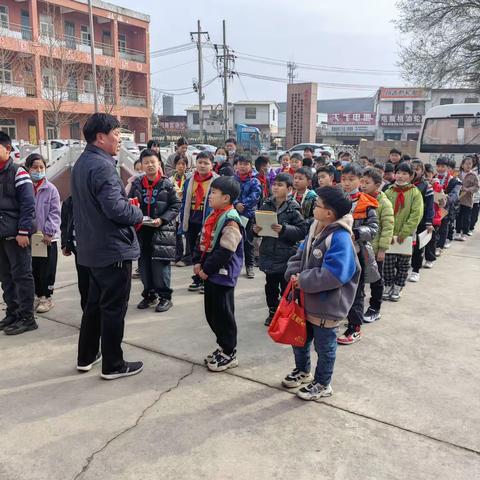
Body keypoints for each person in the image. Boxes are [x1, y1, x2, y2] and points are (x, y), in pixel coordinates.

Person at [72, 113, 144, 380]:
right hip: (112, 249)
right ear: (100, 137)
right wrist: (138, 214)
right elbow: (116, 209)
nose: (119, 140)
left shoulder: (82, 163)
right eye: (116, 134)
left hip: (92, 249)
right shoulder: (102, 166)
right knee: (113, 308)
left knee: (94, 305)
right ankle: (113, 364)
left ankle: (87, 355)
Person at [283, 187, 360, 400]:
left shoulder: (340, 238)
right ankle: (303, 371)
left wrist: (303, 280)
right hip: (306, 300)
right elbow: (300, 254)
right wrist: (293, 273)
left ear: (329, 213)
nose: (313, 207)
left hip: (327, 306)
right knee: (299, 339)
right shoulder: (316, 227)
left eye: (317, 204)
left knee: (324, 347)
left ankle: (323, 383)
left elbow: (334, 275)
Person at [194, 176, 243, 372]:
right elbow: (202, 240)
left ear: (226, 198)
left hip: (222, 274)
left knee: (223, 313)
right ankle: (223, 346)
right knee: (212, 313)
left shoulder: (231, 220)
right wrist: (197, 261)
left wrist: (207, 269)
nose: (209, 196)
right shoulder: (213, 214)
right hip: (211, 273)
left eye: (214, 193)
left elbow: (226, 251)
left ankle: (230, 352)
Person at [129, 149, 180, 313]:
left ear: (159, 163)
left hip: (162, 231)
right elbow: (129, 203)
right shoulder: (137, 184)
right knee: (144, 266)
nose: (150, 165)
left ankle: (165, 297)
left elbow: (176, 205)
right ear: (141, 165)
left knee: (160, 267)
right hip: (142, 230)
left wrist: (162, 219)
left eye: (153, 162)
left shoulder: (167, 184)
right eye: (146, 162)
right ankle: (149, 295)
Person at [254, 173, 307, 326]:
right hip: (268, 252)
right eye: (274, 184)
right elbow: (255, 224)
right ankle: (272, 311)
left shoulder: (293, 207)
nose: (275, 187)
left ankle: (285, 312)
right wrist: (255, 229)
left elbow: (302, 230)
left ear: (289, 189)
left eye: (280, 185)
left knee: (286, 287)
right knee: (270, 285)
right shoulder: (266, 203)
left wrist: (284, 229)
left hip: (286, 254)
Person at [337, 163, 379, 345]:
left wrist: (358, 232)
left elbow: (374, 228)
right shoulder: (337, 199)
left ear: (360, 181)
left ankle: (355, 328)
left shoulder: (367, 203)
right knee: (338, 287)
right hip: (337, 251)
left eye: (351, 179)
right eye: (343, 179)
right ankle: (340, 318)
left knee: (356, 290)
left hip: (357, 252)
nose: (346, 183)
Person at [0, 131, 36, 335]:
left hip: (16, 235)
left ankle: (27, 317)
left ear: (7, 149)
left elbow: (28, 205)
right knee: (6, 277)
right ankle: (12, 312)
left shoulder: (18, 173)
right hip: (1, 235)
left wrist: (23, 231)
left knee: (22, 276)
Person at [25, 153, 61, 314]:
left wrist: (49, 232)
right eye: (34, 167)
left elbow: (55, 212)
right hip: (29, 237)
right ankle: (37, 296)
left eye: (41, 167)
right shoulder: (23, 188)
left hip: (47, 238)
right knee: (33, 268)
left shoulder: (50, 189)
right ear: (28, 168)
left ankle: (47, 297)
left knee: (47, 269)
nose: (38, 170)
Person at [383, 162, 423, 302]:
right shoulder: (388, 191)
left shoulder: (415, 193)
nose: (400, 176)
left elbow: (416, 214)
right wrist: (389, 232)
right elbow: (383, 212)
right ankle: (387, 285)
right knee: (388, 263)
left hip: (406, 237)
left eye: (404, 173)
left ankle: (398, 287)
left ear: (411, 176)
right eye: (398, 172)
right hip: (389, 234)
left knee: (403, 264)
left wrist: (404, 232)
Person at [179, 151, 217, 291]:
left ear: (212, 165)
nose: (202, 165)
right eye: (200, 162)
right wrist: (182, 220)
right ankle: (197, 278)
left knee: (206, 251)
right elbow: (184, 202)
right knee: (195, 251)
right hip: (192, 220)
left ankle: (206, 278)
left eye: (206, 163)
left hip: (208, 221)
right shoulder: (189, 180)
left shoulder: (216, 181)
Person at [362, 168, 394, 323]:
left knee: (376, 279)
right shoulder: (360, 199)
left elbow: (388, 227)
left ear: (378, 185)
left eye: (367, 183)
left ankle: (375, 308)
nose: (363, 185)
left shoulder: (384, 203)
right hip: (361, 247)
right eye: (362, 181)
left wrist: (382, 249)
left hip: (375, 250)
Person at [234, 155, 262, 279]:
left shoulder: (255, 181)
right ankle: (233, 267)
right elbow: (229, 193)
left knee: (248, 242)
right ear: (236, 165)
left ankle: (249, 266)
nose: (243, 166)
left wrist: (243, 205)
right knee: (232, 241)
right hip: (233, 214)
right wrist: (236, 204)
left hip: (248, 215)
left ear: (250, 166)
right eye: (241, 164)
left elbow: (256, 196)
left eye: (246, 164)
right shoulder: (232, 179)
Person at [61, 196, 89, 311]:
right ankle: (87, 317)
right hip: (79, 251)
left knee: (98, 286)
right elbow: (64, 224)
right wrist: (65, 244)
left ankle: (99, 319)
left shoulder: (97, 197)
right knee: (84, 285)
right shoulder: (70, 201)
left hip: (97, 251)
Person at [409, 160, 435, 282]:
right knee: (404, 244)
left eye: (417, 169)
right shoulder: (403, 184)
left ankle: (415, 270)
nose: (414, 172)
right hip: (406, 221)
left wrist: (429, 222)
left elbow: (430, 206)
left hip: (421, 220)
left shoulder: (426, 186)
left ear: (422, 171)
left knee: (419, 246)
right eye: (412, 169)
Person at [436, 157, 461, 251]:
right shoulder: (433, 177)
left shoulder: (454, 180)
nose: (440, 169)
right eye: (438, 166)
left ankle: (439, 247)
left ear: (447, 167)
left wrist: (446, 198)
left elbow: (455, 195)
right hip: (434, 207)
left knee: (443, 227)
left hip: (446, 208)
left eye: (443, 166)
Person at [170, 155, 190, 266]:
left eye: (183, 164)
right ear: (175, 165)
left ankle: (187, 257)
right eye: (178, 164)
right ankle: (177, 256)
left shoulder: (189, 179)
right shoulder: (170, 179)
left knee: (187, 233)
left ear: (187, 166)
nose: (181, 166)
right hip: (175, 209)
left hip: (186, 208)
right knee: (176, 233)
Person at [455, 156, 479, 241]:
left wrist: (468, 190)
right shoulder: (458, 174)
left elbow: (476, 187)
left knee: (466, 218)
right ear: (462, 165)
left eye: (470, 164)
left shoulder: (473, 175)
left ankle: (464, 233)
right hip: (458, 200)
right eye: (466, 164)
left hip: (468, 201)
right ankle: (457, 232)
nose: (468, 165)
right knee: (458, 216)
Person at [469, 155, 480, 233]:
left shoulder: (477, 171)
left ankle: (471, 227)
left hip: (476, 196)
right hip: (466, 196)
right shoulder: (465, 170)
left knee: (474, 214)